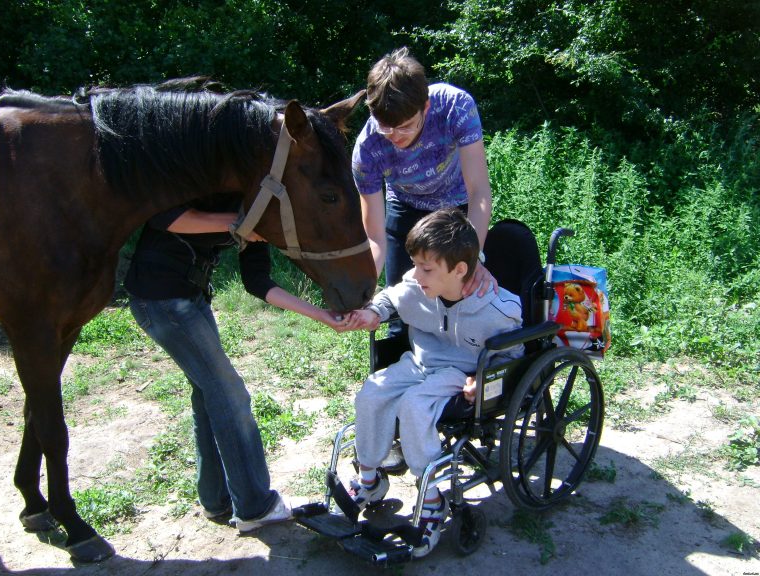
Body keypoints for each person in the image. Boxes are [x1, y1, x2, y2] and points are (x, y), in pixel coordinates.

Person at [124, 194, 348, 533]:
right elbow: (162, 214)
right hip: (162, 301)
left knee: (207, 396)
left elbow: (257, 281)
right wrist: (242, 222)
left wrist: (320, 314)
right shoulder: (225, 184)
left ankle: (217, 500)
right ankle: (255, 507)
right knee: (230, 395)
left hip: (190, 297)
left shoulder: (266, 217)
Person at [344, 208, 524, 557]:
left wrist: (483, 380)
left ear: (458, 270)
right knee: (371, 393)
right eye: (415, 264)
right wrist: (373, 313)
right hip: (419, 363)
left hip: (460, 374)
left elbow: (514, 356)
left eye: (426, 268)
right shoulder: (416, 286)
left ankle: (433, 499)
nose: (415, 273)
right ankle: (370, 478)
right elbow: (390, 297)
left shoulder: (498, 310)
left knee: (414, 407)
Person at [352, 46, 496, 299]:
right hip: (405, 207)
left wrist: (475, 259)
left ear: (426, 107)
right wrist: (360, 292)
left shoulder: (455, 106)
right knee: (403, 304)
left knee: (462, 294)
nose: (395, 137)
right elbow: (375, 238)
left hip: (458, 208)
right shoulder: (366, 150)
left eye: (406, 127)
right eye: (386, 127)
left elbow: (479, 191)